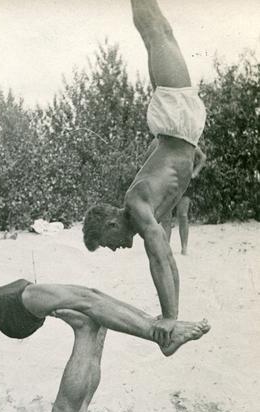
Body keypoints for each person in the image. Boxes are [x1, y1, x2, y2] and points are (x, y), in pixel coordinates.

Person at [82, 0, 207, 323]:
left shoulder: (137, 205)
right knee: (154, 33)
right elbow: (166, 256)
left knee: (157, 31)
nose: (114, 250)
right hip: (179, 128)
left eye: (106, 244)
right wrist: (173, 318)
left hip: (176, 120)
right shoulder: (147, 209)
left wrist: (167, 318)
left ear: (111, 224)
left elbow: (158, 260)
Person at [0, 279, 209, 359]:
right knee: (87, 299)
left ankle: (156, 327)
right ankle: (158, 333)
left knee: (89, 302)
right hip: (3, 308)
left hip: (4, 312)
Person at [161, 146, 207, 255]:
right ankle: (166, 247)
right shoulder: (168, 142)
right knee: (166, 216)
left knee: (182, 214)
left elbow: (203, 158)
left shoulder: (190, 144)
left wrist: (195, 173)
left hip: (185, 182)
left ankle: (184, 247)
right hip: (169, 181)